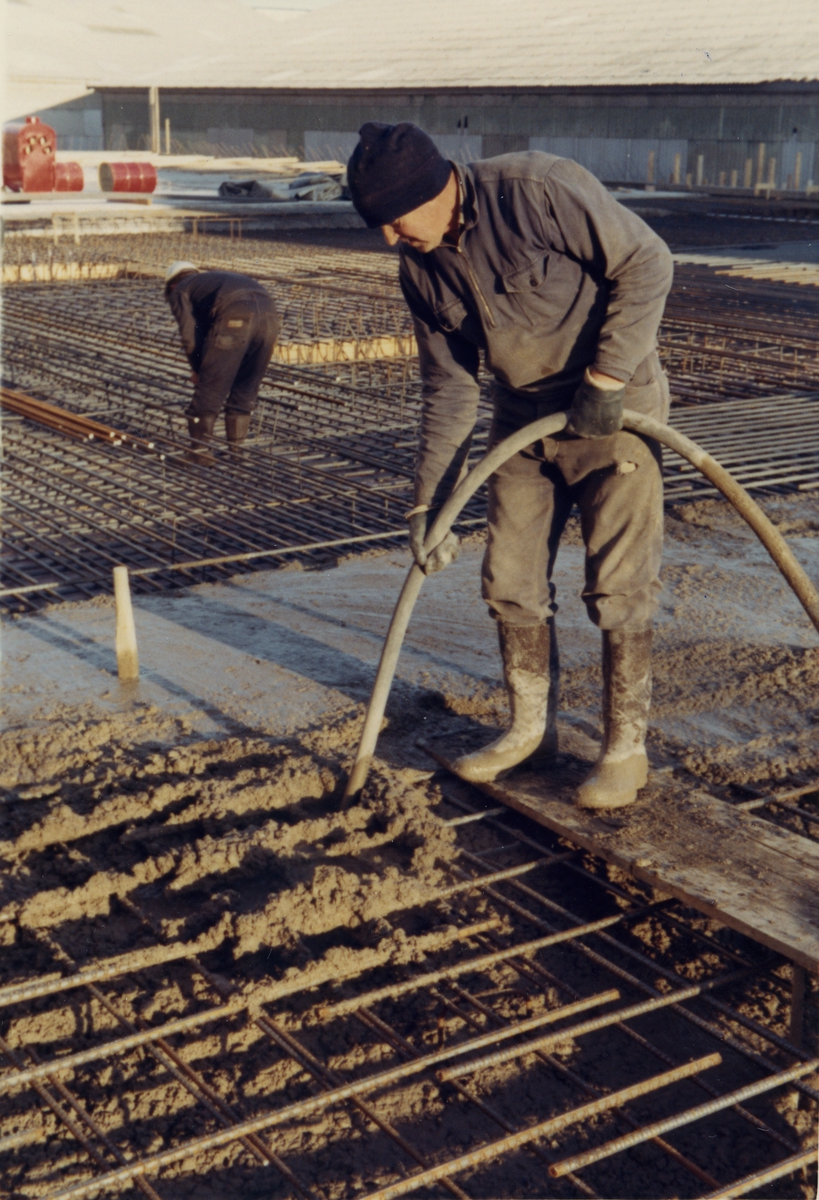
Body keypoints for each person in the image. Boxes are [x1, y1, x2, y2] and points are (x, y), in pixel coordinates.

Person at [347, 123, 674, 809]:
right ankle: (530, 730)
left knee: (617, 581)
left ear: (436, 189)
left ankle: (624, 751)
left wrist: (606, 380)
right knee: (509, 576)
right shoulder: (419, 263)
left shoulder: (537, 189)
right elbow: (449, 388)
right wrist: (426, 507)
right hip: (522, 419)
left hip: (613, 408)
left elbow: (647, 262)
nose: (388, 238)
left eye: (394, 219)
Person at [164, 262, 280, 464]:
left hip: (236, 316)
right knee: (245, 388)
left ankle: (199, 452)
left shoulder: (180, 290)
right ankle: (237, 452)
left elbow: (190, 337)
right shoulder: (211, 281)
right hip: (270, 319)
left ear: (172, 285)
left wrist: (199, 369)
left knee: (210, 389)